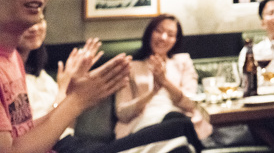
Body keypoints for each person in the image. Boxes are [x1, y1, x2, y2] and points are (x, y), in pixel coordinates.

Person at [0, 0, 189, 153]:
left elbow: (24, 133)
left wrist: (76, 96)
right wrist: (77, 99)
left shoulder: (12, 58)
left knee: (180, 134)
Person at [18, 18, 202, 153]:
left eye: (39, 20)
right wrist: (67, 92)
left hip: (72, 142)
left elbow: (66, 126)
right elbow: (33, 135)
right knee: (181, 128)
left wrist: (70, 90)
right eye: (159, 31)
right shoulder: (15, 79)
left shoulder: (43, 77)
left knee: (181, 139)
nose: (34, 27)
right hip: (62, 147)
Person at [115, 14, 211, 142]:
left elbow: (191, 104)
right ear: (150, 33)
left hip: (179, 121)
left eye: (170, 35)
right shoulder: (130, 67)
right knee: (178, 129)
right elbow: (122, 114)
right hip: (145, 124)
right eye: (158, 31)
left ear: (175, 40)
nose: (163, 38)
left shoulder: (183, 62)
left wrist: (164, 81)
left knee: (177, 122)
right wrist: (151, 93)